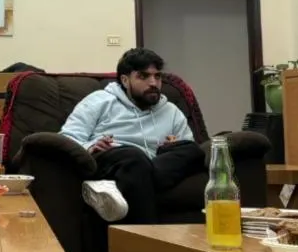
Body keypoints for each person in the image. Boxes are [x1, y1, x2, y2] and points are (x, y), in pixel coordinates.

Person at [59, 48, 203, 225]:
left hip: (150, 163)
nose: (153, 83)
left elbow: (187, 151)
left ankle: (115, 189)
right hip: (112, 158)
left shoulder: (171, 111)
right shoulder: (99, 101)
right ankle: (148, 238)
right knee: (134, 157)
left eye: (157, 76)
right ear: (125, 80)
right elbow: (66, 138)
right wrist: (90, 146)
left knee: (192, 150)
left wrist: (173, 146)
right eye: (143, 76)